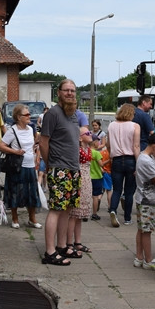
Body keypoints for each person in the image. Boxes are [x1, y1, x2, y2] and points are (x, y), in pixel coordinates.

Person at [38, 79, 83, 266]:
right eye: (67, 90)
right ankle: (49, 252)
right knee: (56, 210)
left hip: (73, 169)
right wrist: (50, 165)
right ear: (59, 92)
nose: (70, 93)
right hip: (59, 169)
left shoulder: (72, 114)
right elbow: (43, 142)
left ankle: (62, 246)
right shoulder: (53, 114)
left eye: (73, 90)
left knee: (67, 209)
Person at [0, 104, 42, 229]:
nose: (29, 116)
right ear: (18, 117)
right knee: (15, 191)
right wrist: (15, 152)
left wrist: (36, 155)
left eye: (29, 114)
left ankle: (32, 219)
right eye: (26, 114)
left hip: (30, 165)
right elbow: (1, 146)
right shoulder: (12, 130)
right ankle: (15, 218)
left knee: (31, 192)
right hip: (17, 166)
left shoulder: (30, 129)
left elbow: (34, 143)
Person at [133, 132, 155, 271]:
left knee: (141, 229)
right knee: (147, 230)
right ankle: (148, 259)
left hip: (142, 197)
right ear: (154, 146)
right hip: (148, 199)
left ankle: (139, 257)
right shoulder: (147, 161)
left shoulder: (142, 157)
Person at [107, 103, 140, 227]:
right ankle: (127, 218)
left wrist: (111, 156)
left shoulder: (111, 125)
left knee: (116, 189)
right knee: (129, 191)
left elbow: (108, 145)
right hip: (131, 159)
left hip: (116, 160)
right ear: (131, 113)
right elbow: (136, 147)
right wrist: (138, 163)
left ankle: (113, 210)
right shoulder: (135, 126)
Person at [68, 126, 96, 256]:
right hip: (79, 179)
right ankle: (69, 242)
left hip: (86, 179)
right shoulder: (77, 150)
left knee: (80, 215)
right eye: (87, 133)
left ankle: (77, 242)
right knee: (74, 214)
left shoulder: (88, 149)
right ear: (80, 137)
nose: (90, 134)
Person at [90, 123, 107, 220]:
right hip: (97, 176)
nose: (99, 143)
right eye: (97, 141)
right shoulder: (96, 153)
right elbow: (101, 164)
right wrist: (109, 160)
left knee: (87, 195)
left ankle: (84, 212)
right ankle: (94, 213)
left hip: (88, 176)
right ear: (94, 142)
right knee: (95, 196)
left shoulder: (87, 152)